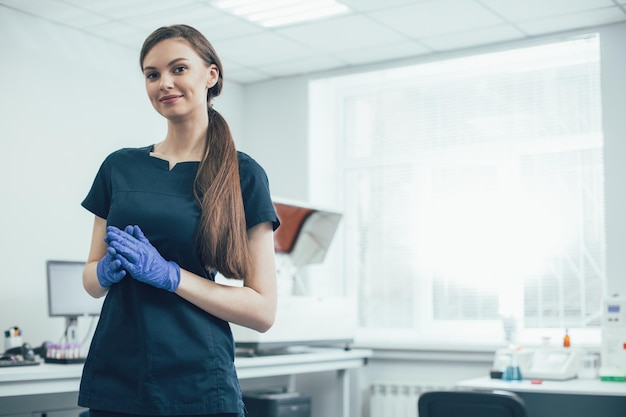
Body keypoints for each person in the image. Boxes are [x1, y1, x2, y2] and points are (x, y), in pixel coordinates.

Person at [78, 24, 280, 417]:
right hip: (118, 375)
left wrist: (171, 275)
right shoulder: (118, 167)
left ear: (211, 75)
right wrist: (105, 270)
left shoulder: (243, 174)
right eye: (152, 75)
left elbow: (263, 311)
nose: (164, 83)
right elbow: (90, 280)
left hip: (198, 379)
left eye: (178, 69)